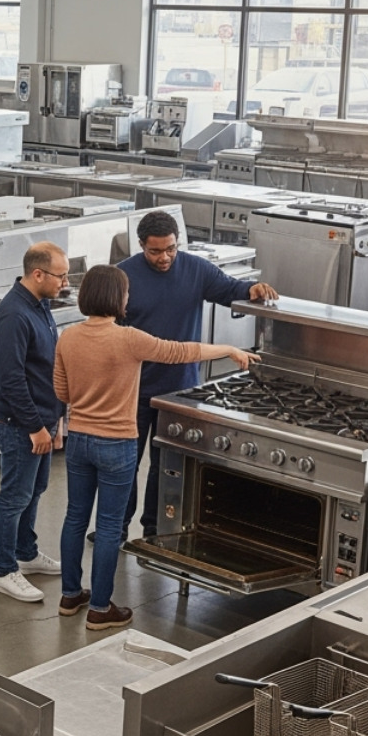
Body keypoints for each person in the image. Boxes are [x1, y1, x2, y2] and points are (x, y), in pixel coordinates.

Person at [54, 265, 259, 630]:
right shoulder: (129, 339)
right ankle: (101, 608)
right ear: (118, 298)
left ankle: (70, 595)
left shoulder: (68, 337)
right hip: (116, 443)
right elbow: (181, 352)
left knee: (75, 517)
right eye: (126, 293)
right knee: (108, 524)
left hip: (79, 441)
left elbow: (63, 394)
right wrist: (229, 349)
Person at [115, 211, 277, 545]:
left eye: (171, 249)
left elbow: (229, 289)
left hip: (179, 389)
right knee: (124, 466)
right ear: (141, 245)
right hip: (132, 389)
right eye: (155, 252)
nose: (165, 258)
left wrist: (253, 289)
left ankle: (154, 528)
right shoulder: (123, 277)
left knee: (166, 465)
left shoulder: (195, 268)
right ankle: (115, 528)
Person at [0, 242, 68, 603]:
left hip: (44, 419)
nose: (65, 282)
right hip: (19, 422)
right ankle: (3, 571)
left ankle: (27, 552)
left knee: (35, 491)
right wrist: (36, 426)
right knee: (14, 496)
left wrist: (57, 419)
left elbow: (47, 365)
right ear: (38, 274)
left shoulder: (41, 305)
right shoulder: (14, 316)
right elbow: (11, 380)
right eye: (61, 275)